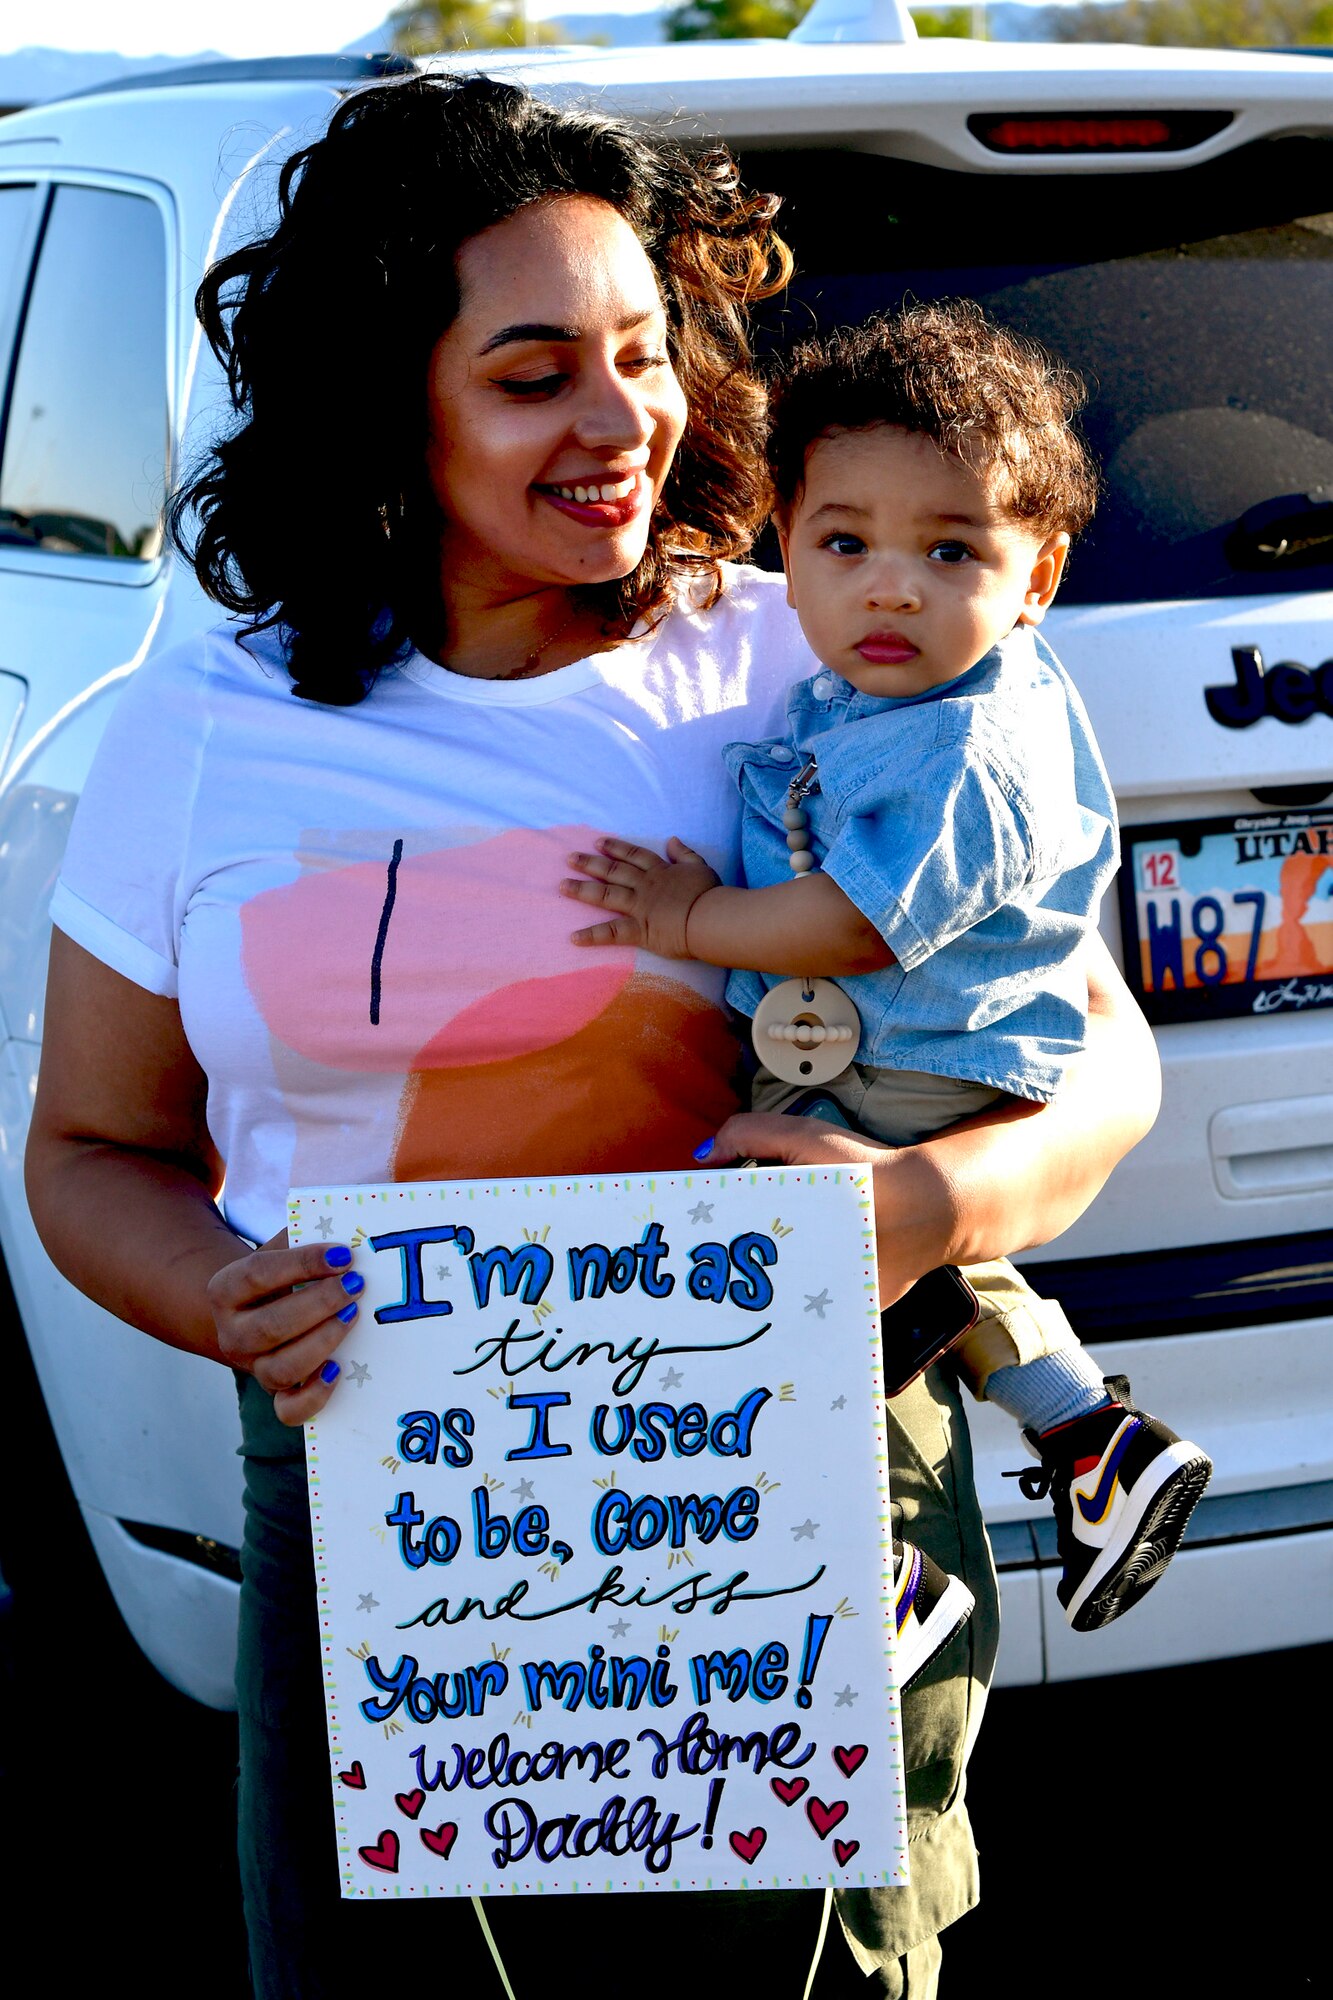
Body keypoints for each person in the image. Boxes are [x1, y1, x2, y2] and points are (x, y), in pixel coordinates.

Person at [24, 75, 1161, 2000]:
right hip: (387, 1490)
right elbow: (88, 1149)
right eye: (533, 368)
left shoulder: (820, 647)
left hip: (798, 1498)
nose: (621, 417)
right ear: (391, 398)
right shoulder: (202, 727)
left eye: (641, 352)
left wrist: (926, 1204)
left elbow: (1097, 1054)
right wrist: (221, 1290)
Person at [564, 303, 1211, 1652]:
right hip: (896, 1056)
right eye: (842, 543)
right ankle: (1092, 1440)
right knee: (906, 1276)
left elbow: (855, 925)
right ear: (778, 550)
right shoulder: (880, 699)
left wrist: (688, 918)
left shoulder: (968, 743)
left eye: (950, 550)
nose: (891, 586)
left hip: (903, 1054)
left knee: (769, 1292)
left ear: (1035, 580)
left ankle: (868, 1573)